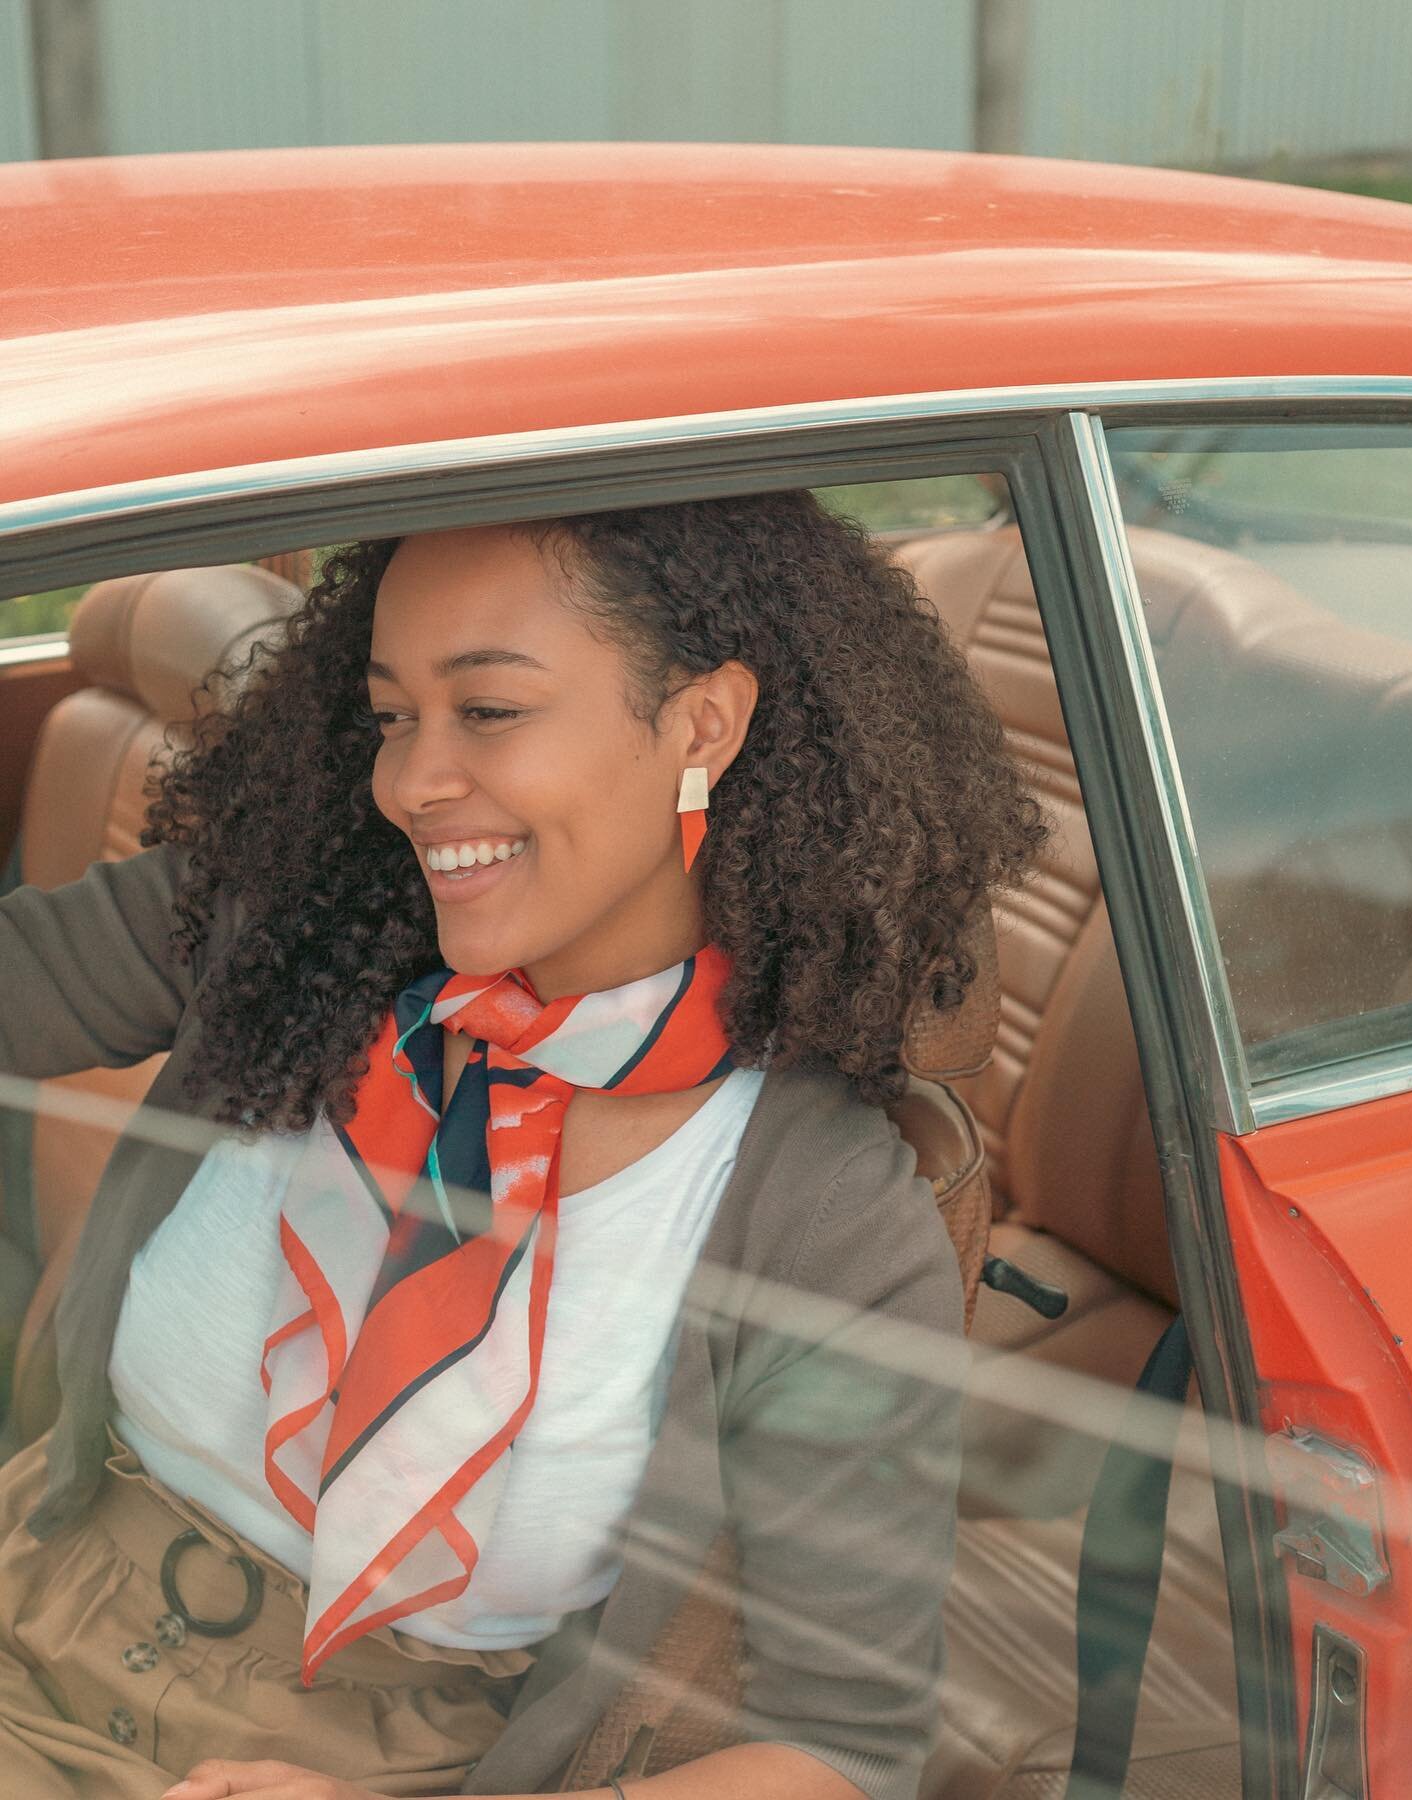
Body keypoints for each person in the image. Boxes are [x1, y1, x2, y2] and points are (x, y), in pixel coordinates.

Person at [0, 492, 1043, 1799]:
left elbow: (839, 1748)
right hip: (37, 1584)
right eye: (392, 716)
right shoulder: (293, 927)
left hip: (374, 1760)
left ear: (701, 724)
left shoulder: (821, 1208)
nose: (412, 781)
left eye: (487, 711)